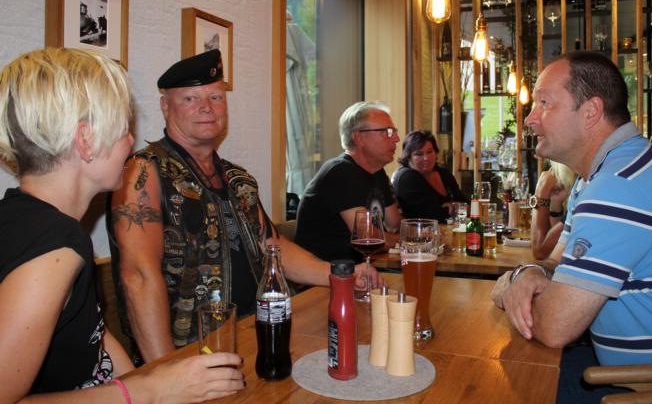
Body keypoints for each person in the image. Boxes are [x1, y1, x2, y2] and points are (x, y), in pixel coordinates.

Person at [0, 48, 244, 402]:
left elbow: (94, 336)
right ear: (85, 140)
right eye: (122, 127)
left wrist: (158, 379)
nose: (131, 140)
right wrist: (151, 390)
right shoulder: (53, 248)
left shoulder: (32, 219)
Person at [108, 50, 379, 364]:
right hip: (192, 354)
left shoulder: (238, 180)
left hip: (257, 333)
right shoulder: (143, 172)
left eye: (216, 97)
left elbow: (273, 248)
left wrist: (342, 274)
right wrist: (165, 373)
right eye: (190, 99)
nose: (206, 108)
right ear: (165, 106)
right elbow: (138, 276)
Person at [491, 51, 652, 401]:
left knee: (497, 386)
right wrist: (528, 272)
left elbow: (553, 327)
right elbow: (555, 261)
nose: (530, 119)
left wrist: (510, 288)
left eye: (544, 104)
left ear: (591, 112)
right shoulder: (600, 178)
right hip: (636, 374)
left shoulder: (619, 186)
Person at [295, 101, 403, 262]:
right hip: (328, 271)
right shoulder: (339, 172)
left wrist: (422, 232)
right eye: (387, 132)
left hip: (362, 266)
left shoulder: (377, 172)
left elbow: (395, 224)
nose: (396, 139)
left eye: (394, 132)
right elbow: (369, 238)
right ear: (359, 137)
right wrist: (414, 238)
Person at [392, 129, 467, 221]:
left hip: (450, 228)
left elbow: (466, 203)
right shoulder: (406, 177)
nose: (426, 158)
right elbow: (430, 216)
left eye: (430, 152)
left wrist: (455, 207)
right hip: (419, 230)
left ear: (436, 153)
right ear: (408, 157)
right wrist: (456, 208)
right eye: (419, 154)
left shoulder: (443, 172)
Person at [529, 161, 576, 260]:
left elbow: (540, 251)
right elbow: (558, 239)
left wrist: (542, 189)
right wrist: (556, 202)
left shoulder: (583, 193)